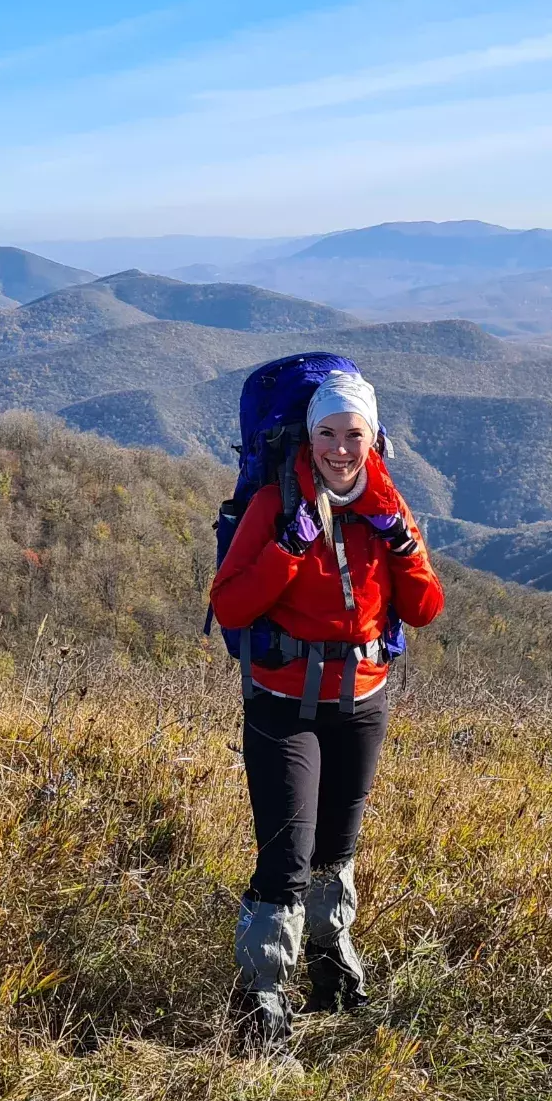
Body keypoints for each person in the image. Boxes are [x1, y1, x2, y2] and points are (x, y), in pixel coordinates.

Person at [210, 369, 445, 1044]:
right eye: (328, 433)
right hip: (283, 707)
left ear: (375, 440)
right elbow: (230, 604)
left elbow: (425, 609)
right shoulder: (273, 506)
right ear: (308, 438)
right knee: (286, 861)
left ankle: (333, 977)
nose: (341, 448)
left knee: (336, 854)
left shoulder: (387, 507)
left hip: (363, 705)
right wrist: (291, 545)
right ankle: (262, 1015)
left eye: (354, 434)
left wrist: (402, 545)